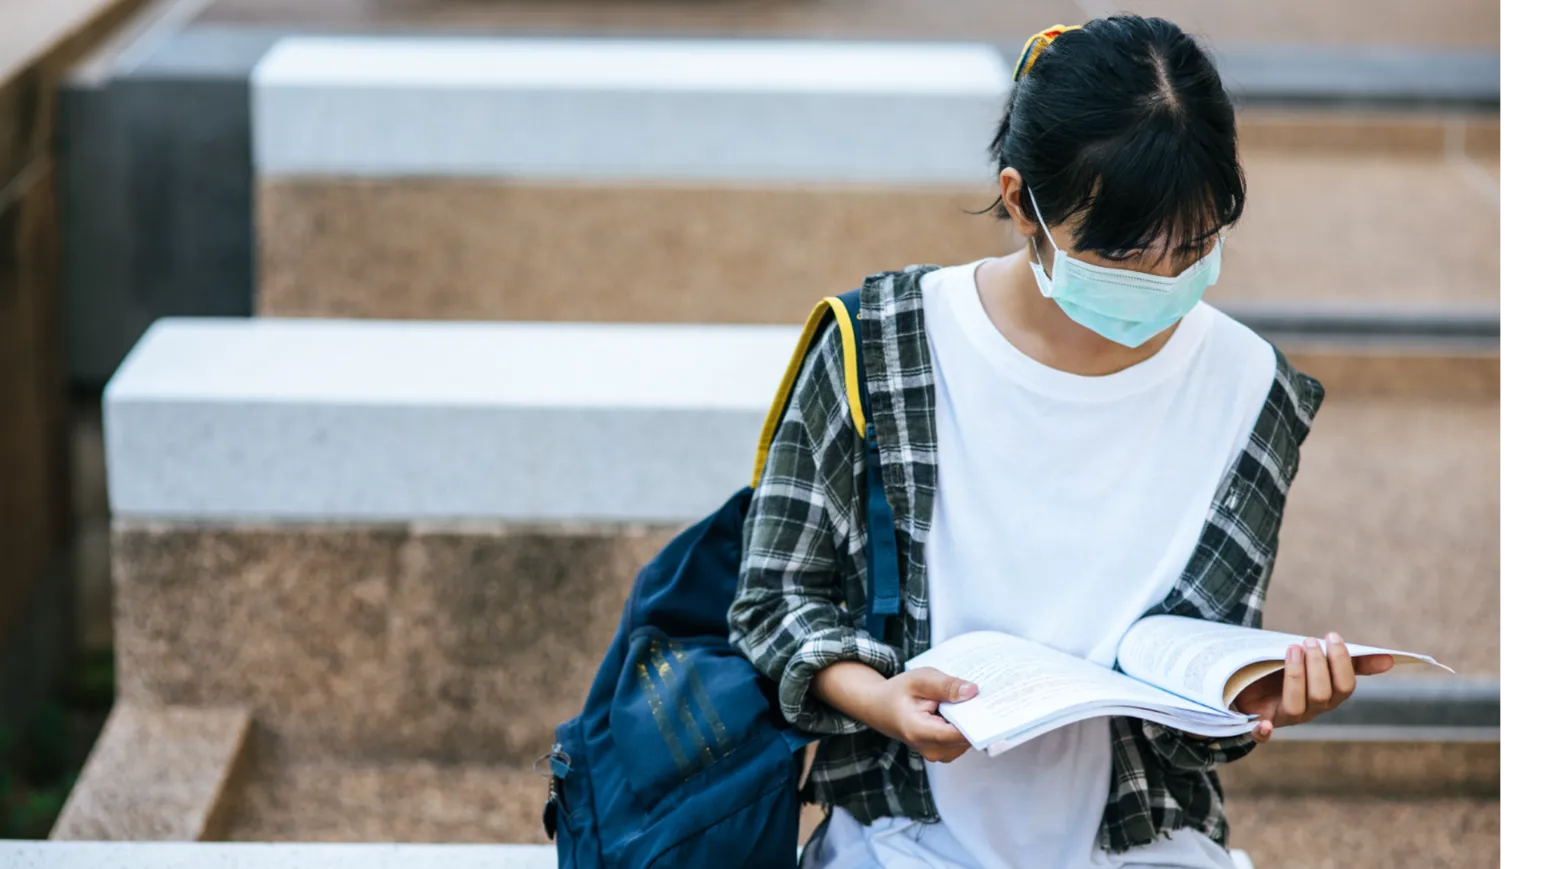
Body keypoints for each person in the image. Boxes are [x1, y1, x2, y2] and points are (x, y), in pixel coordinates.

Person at [727, 15, 1395, 869]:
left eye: (1192, 247)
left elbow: (1199, 699)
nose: (1161, 283)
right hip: (903, 839)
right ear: (1020, 202)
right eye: (1120, 253)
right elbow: (772, 600)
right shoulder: (879, 346)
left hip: (1141, 843)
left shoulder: (1250, 387)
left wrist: (1254, 699)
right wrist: (884, 698)